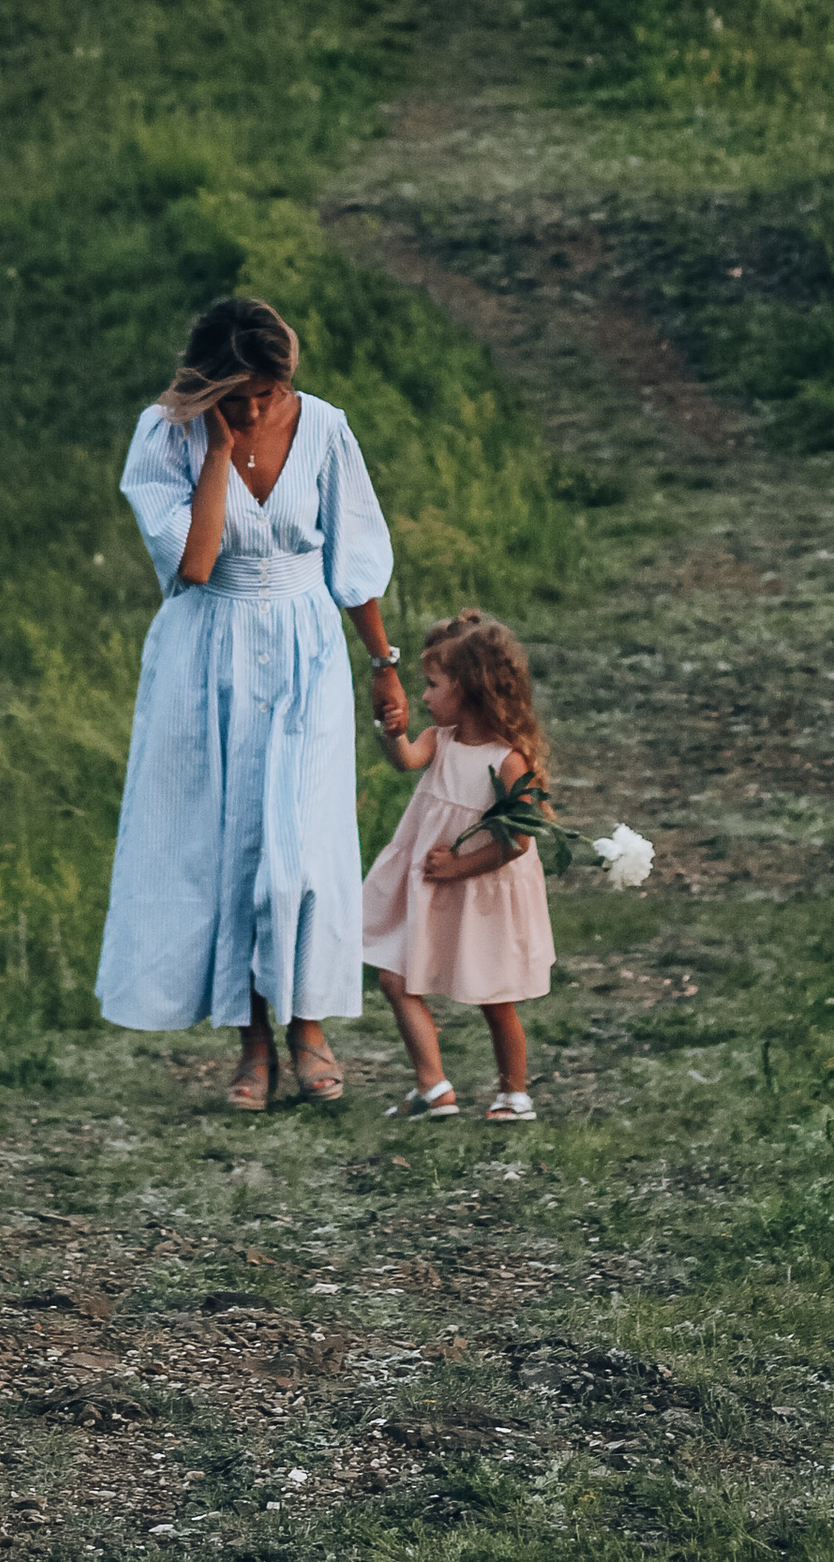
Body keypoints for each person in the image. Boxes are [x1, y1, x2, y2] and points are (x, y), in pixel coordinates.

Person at [97, 294, 404, 1109]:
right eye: (236, 395)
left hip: (306, 650)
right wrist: (217, 452)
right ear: (206, 386)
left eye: (266, 392)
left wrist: (384, 661)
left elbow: (354, 552)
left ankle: (309, 1026)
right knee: (231, 851)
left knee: (300, 853)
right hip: (208, 650)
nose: (256, 407)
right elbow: (195, 565)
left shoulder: (327, 429)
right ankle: (253, 1047)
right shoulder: (164, 435)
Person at [360, 608, 554, 1124]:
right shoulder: (441, 741)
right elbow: (405, 759)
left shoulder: (510, 761)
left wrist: (459, 867)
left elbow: (518, 841)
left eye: (432, 685)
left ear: (468, 689)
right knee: (395, 978)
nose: (423, 697)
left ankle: (514, 1094)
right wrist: (391, 729)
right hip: (434, 885)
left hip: (481, 892)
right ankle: (433, 1086)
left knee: (495, 995)